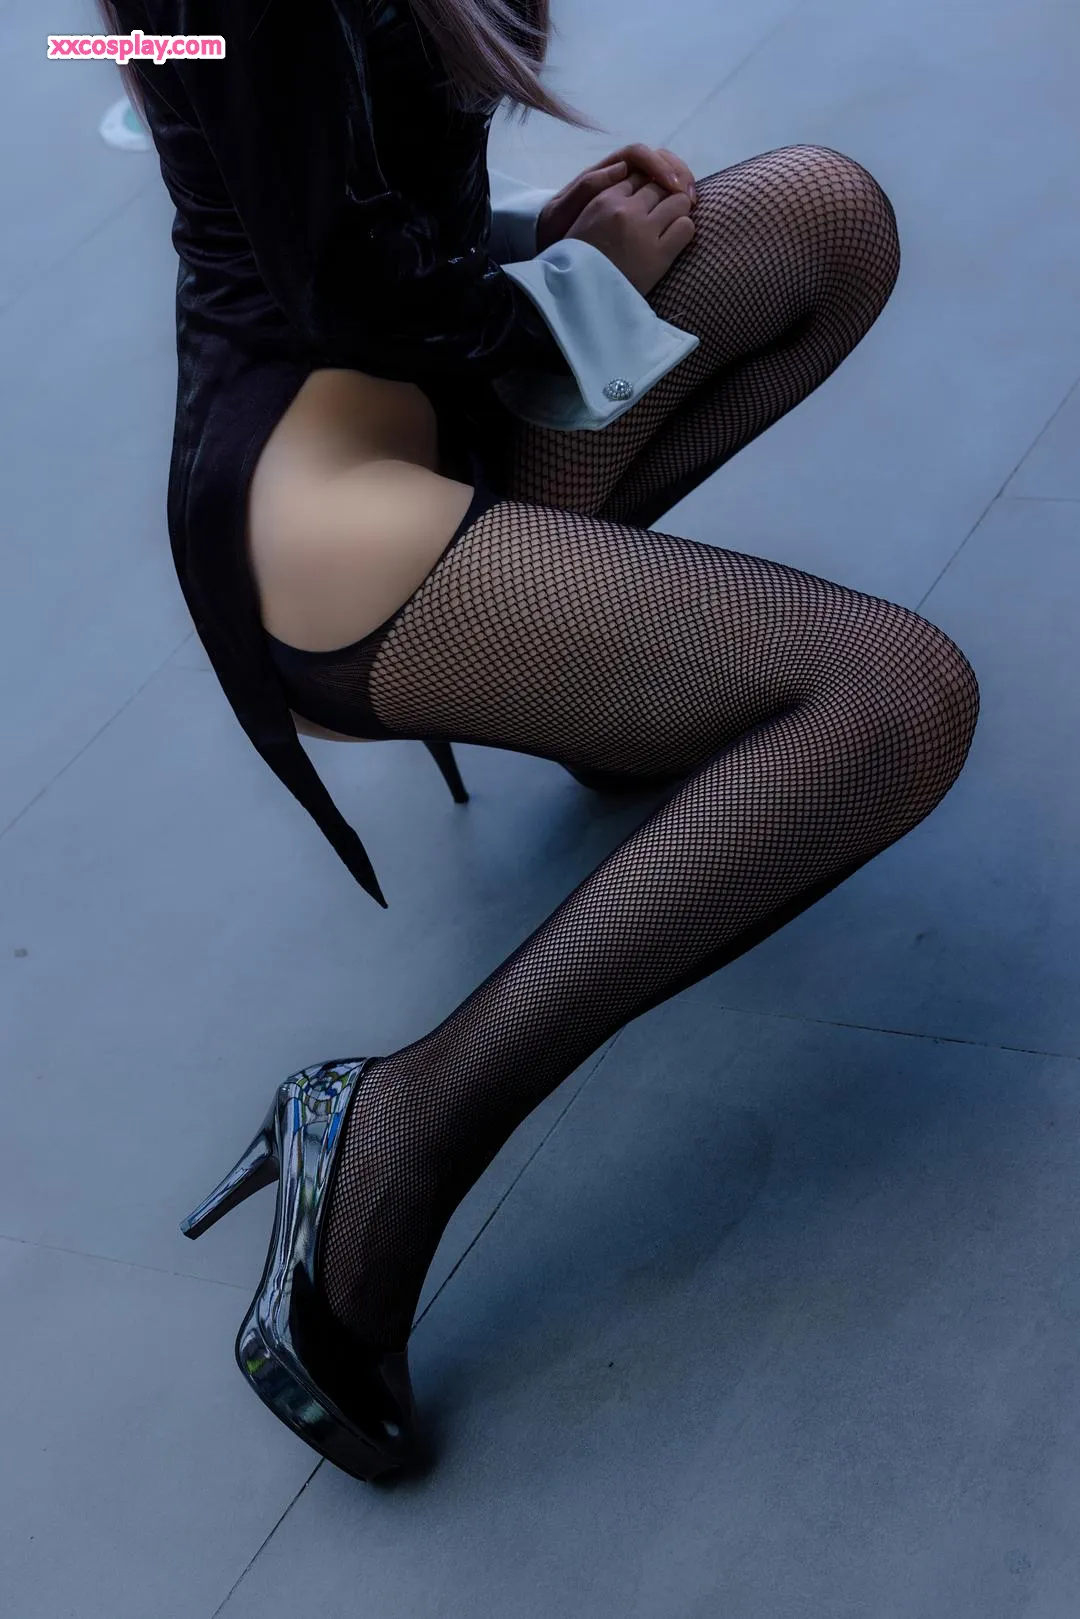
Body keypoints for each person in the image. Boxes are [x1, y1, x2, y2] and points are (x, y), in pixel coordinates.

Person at [100, 0, 979, 1483]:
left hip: (443, 385)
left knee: (823, 221)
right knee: (898, 701)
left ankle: (599, 684)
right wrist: (578, 283)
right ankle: (393, 1125)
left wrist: (531, 235)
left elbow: (321, 158)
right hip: (327, 501)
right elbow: (330, 278)